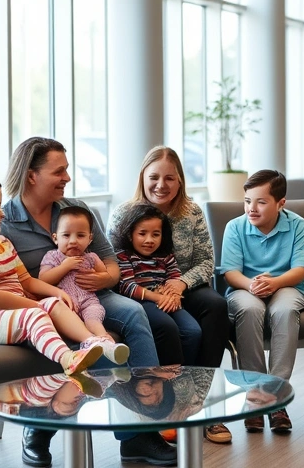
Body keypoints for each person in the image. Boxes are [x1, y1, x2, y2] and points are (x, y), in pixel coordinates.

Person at [0, 137, 172, 467]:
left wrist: (102, 279)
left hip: (92, 295)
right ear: (32, 175)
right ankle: (38, 429)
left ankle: (139, 434)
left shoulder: (76, 211)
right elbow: (8, 280)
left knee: (134, 314)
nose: (67, 177)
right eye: (59, 171)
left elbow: (112, 266)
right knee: (63, 334)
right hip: (40, 306)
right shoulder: (4, 222)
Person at [108, 146, 233, 444]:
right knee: (172, 328)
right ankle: (167, 405)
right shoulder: (123, 214)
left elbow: (207, 261)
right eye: (154, 177)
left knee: (216, 306)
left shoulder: (192, 212)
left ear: (180, 181)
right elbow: (114, 267)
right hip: (140, 294)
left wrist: (180, 285)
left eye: (169, 178)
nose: (161, 185)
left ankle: (200, 407)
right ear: (143, 178)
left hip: (182, 287)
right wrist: (156, 295)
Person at [0, 174, 106, 376]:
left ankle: (91, 341)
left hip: (8, 313)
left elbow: (26, 281)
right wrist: (38, 306)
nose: (2, 214)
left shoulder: (3, 243)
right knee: (35, 313)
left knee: (53, 303)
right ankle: (68, 359)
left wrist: (57, 294)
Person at [221, 170, 304, 434]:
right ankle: (255, 396)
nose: (252, 208)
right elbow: (231, 273)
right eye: (247, 200)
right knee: (249, 309)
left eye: (261, 202)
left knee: (285, 310)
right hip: (245, 288)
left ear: (280, 203)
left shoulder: (297, 224)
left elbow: (300, 270)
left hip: (287, 285)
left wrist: (274, 283)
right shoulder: (235, 227)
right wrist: (251, 285)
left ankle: (275, 397)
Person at [111, 203, 203, 367]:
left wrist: (173, 297)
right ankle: (169, 374)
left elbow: (174, 278)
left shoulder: (166, 256)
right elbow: (127, 286)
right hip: (142, 302)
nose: (149, 240)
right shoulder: (124, 256)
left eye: (156, 234)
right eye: (142, 233)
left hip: (166, 300)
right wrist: (158, 297)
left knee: (192, 331)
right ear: (131, 235)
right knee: (167, 326)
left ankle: (186, 374)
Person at [40, 205, 130, 365]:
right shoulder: (53, 257)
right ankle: (90, 342)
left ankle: (104, 340)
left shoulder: (91, 257)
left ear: (90, 238)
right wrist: (64, 267)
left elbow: (106, 278)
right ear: (55, 238)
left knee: (93, 319)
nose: (73, 241)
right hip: (66, 305)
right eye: (66, 235)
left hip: (89, 301)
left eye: (80, 235)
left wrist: (98, 276)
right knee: (75, 322)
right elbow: (43, 279)